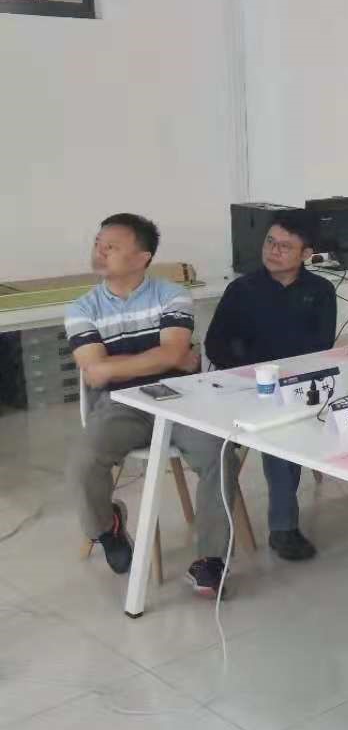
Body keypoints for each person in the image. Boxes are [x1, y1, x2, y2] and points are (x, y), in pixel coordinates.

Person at [205, 210, 348, 557]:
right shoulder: (242, 290)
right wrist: (257, 371)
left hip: (310, 383)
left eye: (285, 246)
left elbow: (320, 347)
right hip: (256, 389)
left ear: (306, 253)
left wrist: (294, 372)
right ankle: (283, 528)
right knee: (281, 432)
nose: (273, 251)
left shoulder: (320, 290)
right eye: (270, 242)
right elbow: (216, 346)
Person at [65, 213, 235, 596]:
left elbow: (168, 354)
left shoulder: (172, 295)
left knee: (218, 452)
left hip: (181, 398)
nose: (99, 252)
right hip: (121, 404)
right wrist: (166, 357)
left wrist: (117, 364)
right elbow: (96, 373)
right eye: (97, 244)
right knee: (82, 462)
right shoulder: (82, 308)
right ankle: (106, 529)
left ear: (142, 257)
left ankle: (211, 559)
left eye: (111, 247)